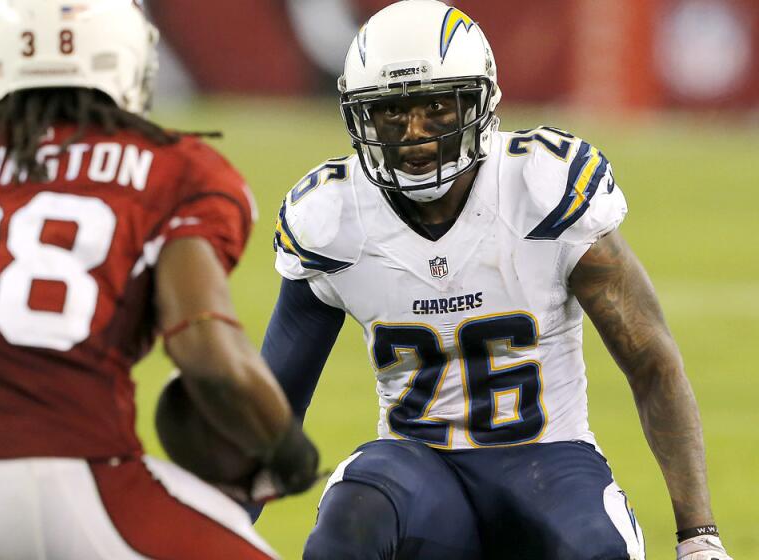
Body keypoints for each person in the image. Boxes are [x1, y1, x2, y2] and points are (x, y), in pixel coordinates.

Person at [260, 1, 731, 559]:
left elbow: (652, 361)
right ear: (360, 118)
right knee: (354, 513)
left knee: (593, 549)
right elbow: (270, 407)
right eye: (391, 112)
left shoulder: (542, 188)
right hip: (418, 470)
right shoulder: (333, 218)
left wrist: (698, 536)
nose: (413, 133)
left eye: (436, 106)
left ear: (479, 104)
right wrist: (218, 529)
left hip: (548, 460)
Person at [0, 0, 318, 558]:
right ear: (126, 56)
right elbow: (206, 350)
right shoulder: (176, 168)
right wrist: (286, 449)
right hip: (68, 470)